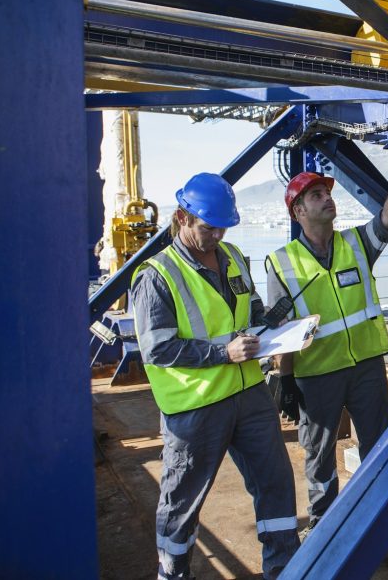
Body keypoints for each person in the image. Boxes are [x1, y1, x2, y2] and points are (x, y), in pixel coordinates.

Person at [130, 173, 299, 580]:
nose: (217, 235)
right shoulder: (156, 275)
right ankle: (173, 573)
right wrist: (224, 353)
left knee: (275, 481)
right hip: (195, 407)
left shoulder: (234, 255)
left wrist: (276, 327)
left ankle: (284, 568)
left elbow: (251, 310)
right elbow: (158, 348)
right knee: (182, 500)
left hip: (249, 395)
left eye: (223, 227)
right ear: (182, 218)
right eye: (209, 228)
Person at [265, 147, 388, 546]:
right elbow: (280, 329)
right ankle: (324, 528)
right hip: (315, 374)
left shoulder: (356, 243)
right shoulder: (281, 262)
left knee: (380, 448)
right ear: (298, 211)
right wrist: (285, 379)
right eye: (316, 195)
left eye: (327, 192)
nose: (327, 198)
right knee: (318, 456)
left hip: (367, 366)